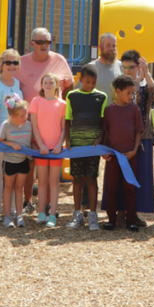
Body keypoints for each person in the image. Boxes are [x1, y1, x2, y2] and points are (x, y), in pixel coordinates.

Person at [18, 27, 74, 213]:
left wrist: (58, 105)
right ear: (31, 43)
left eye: (47, 42)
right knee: (29, 164)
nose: (44, 45)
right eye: (40, 42)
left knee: (51, 166)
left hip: (52, 124)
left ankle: (50, 204)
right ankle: (28, 202)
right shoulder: (21, 61)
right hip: (27, 122)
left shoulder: (59, 60)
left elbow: (70, 85)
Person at [105, 49, 154, 223]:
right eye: (124, 67)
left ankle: (133, 214)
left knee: (138, 178)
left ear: (139, 66)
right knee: (117, 178)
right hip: (120, 139)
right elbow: (118, 100)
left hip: (143, 138)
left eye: (131, 67)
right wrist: (136, 81)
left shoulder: (146, 84)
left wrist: (147, 74)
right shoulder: (119, 84)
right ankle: (118, 214)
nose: (127, 70)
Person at [65, 64, 107, 231]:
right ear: (80, 79)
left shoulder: (102, 97)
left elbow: (104, 123)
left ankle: (93, 215)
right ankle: (77, 214)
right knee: (77, 179)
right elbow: (67, 120)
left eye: (94, 83)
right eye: (87, 82)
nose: (90, 85)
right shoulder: (71, 96)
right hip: (76, 146)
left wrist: (100, 138)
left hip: (93, 147)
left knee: (91, 179)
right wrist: (67, 140)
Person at [99, 74, 144, 232]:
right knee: (111, 187)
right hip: (112, 157)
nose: (131, 96)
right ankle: (111, 219)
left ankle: (130, 219)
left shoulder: (135, 109)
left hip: (129, 157)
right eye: (128, 93)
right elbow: (105, 133)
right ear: (118, 91)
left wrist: (134, 150)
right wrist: (104, 151)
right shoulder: (109, 110)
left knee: (130, 188)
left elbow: (139, 132)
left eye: (133, 93)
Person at [0, 49, 23, 221]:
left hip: (15, 135)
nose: (12, 65)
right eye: (8, 62)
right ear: (1, 65)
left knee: (12, 173)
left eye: (15, 62)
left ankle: (12, 209)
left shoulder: (17, 84)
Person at [29, 73, 67, 227]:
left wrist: (59, 144)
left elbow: (64, 128)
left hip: (57, 150)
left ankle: (52, 214)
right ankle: (41, 213)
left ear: (57, 85)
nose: (48, 85)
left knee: (54, 182)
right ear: (42, 84)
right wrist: (40, 145)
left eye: (51, 82)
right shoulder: (36, 101)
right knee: (42, 182)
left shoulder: (62, 104)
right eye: (45, 82)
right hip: (41, 150)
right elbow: (34, 126)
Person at [0, 98, 32, 228]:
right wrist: (11, 143)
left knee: (19, 188)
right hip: (9, 161)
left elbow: (30, 140)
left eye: (26, 114)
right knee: (8, 188)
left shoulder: (28, 125)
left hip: (23, 161)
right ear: (13, 116)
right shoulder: (5, 125)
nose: (25, 118)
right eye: (22, 116)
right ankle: (7, 216)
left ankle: (19, 215)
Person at [94, 32, 122, 105]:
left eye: (114, 46)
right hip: (96, 114)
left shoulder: (122, 67)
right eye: (108, 45)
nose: (112, 49)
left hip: (117, 114)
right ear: (100, 47)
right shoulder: (91, 68)